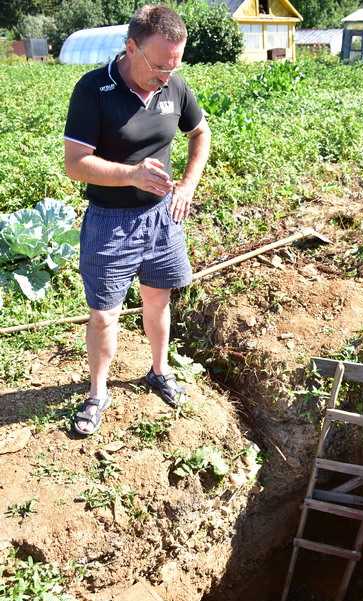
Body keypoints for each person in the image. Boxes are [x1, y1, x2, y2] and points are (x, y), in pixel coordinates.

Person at [64, 4, 211, 435]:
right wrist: (131, 174)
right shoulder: (94, 90)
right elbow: (76, 164)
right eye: (159, 65)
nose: (167, 75)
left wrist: (186, 186)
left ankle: (159, 371)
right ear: (131, 48)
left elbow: (200, 132)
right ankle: (97, 392)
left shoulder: (175, 86)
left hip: (162, 219)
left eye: (174, 65)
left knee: (158, 299)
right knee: (105, 314)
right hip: (110, 222)